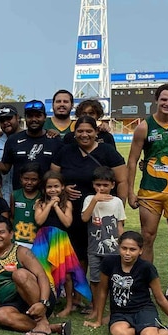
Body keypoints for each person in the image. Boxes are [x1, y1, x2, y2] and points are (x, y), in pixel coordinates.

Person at [85, 231, 168, 335]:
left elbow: (160, 298)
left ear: (141, 251)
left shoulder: (147, 268)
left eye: (132, 249)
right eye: (124, 248)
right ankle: (147, 331)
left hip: (143, 310)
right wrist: (98, 320)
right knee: (119, 333)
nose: (127, 253)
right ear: (118, 247)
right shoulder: (109, 263)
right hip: (120, 313)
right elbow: (102, 291)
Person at [126, 83, 168, 261]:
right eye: (164, 99)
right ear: (156, 100)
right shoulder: (144, 126)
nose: (167, 103)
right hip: (150, 189)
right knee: (147, 237)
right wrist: (130, 192)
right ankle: (146, 281)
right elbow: (132, 161)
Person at [51, 115, 127, 265]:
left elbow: (122, 181)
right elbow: (53, 178)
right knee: (77, 257)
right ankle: (80, 288)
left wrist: (119, 212)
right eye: (80, 131)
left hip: (101, 215)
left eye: (89, 131)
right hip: (72, 213)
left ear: (96, 132)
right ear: (74, 133)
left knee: (103, 256)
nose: (84, 135)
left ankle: (100, 288)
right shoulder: (66, 151)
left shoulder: (107, 151)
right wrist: (64, 188)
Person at [0, 216, 70, 335]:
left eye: (1, 232)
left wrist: (43, 302)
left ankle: (42, 320)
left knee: (19, 274)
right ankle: (52, 327)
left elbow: (42, 276)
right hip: (13, 304)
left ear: (11, 234)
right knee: (1, 315)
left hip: (39, 297)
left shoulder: (22, 252)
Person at [32, 171, 91, 317]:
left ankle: (69, 305)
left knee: (67, 274)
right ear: (44, 189)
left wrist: (57, 206)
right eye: (49, 187)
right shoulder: (40, 203)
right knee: (44, 272)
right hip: (43, 240)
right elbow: (39, 221)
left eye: (56, 186)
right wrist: (50, 204)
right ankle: (48, 304)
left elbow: (67, 222)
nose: (53, 190)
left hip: (60, 240)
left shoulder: (67, 203)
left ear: (63, 187)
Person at [80, 166, 126, 321]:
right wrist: (94, 200)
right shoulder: (89, 199)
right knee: (95, 279)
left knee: (113, 280)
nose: (101, 188)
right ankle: (95, 307)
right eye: (98, 185)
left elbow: (120, 225)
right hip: (94, 248)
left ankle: (112, 309)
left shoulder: (117, 202)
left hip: (113, 250)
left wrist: (123, 246)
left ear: (112, 185)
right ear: (93, 184)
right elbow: (85, 218)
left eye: (105, 185)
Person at [0, 100, 63, 190]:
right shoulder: (13, 140)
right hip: (20, 197)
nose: (34, 119)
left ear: (45, 117)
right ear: (25, 118)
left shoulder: (55, 140)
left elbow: (59, 173)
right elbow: (5, 169)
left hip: (46, 197)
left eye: (38, 116)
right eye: (30, 116)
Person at [10, 163, 41, 249]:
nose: (29, 182)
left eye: (34, 179)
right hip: (17, 240)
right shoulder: (15, 195)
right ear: (21, 178)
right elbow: (12, 217)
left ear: (39, 180)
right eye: (26, 179)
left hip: (36, 242)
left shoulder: (42, 197)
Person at [0, 105, 20, 203]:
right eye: (2, 120)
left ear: (17, 117)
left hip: (24, 198)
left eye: (9, 118)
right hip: (0, 198)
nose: (5, 123)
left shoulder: (30, 139)